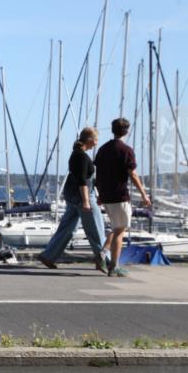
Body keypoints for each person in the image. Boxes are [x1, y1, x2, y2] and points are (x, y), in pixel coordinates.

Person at [37, 127, 107, 272]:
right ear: (89, 140)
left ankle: (49, 256)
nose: (97, 142)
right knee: (96, 229)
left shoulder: (76, 154)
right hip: (83, 197)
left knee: (67, 229)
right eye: (96, 139)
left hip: (72, 197)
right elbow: (82, 180)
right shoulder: (81, 157)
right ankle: (105, 261)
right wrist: (87, 201)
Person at [94, 117, 151, 277]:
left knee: (116, 227)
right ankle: (114, 266)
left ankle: (103, 253)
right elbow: (132, 174)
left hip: (106, 195)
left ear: (112, 130)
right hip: (119, 195)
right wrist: (144, 195)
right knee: (120, 230)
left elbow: (98, 173)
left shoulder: (103, 149)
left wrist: (99, 194)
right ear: (126, 131)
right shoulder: (126, 150)